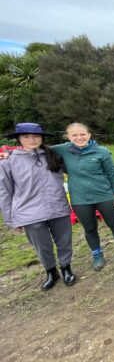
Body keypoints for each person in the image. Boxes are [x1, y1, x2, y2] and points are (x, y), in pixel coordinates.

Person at [0, 123, 76, 291]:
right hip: (29, 212)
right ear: (19, 139)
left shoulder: (54, 156)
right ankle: (51, 272)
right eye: (26, 137)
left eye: (36, 136)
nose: (32, 140)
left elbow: (77, 167)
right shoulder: (9, 162)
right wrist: (10, 219)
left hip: (58, 207)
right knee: (42, 246)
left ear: (42, 138)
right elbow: (4, 192)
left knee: (64, 242)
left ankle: (66, 268)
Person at [53, 123, 114, 271]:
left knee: (113, 223)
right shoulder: (63, 149)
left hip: (104, 195)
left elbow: (112, 175)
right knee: (89, 228)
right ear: (68, 137)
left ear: (89, 134)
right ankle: (97, 255)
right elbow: (38, 149)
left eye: (83, 134)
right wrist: (10, 154)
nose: (79, 137)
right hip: (80, 198)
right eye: (74, 135)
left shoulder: (102, 152)